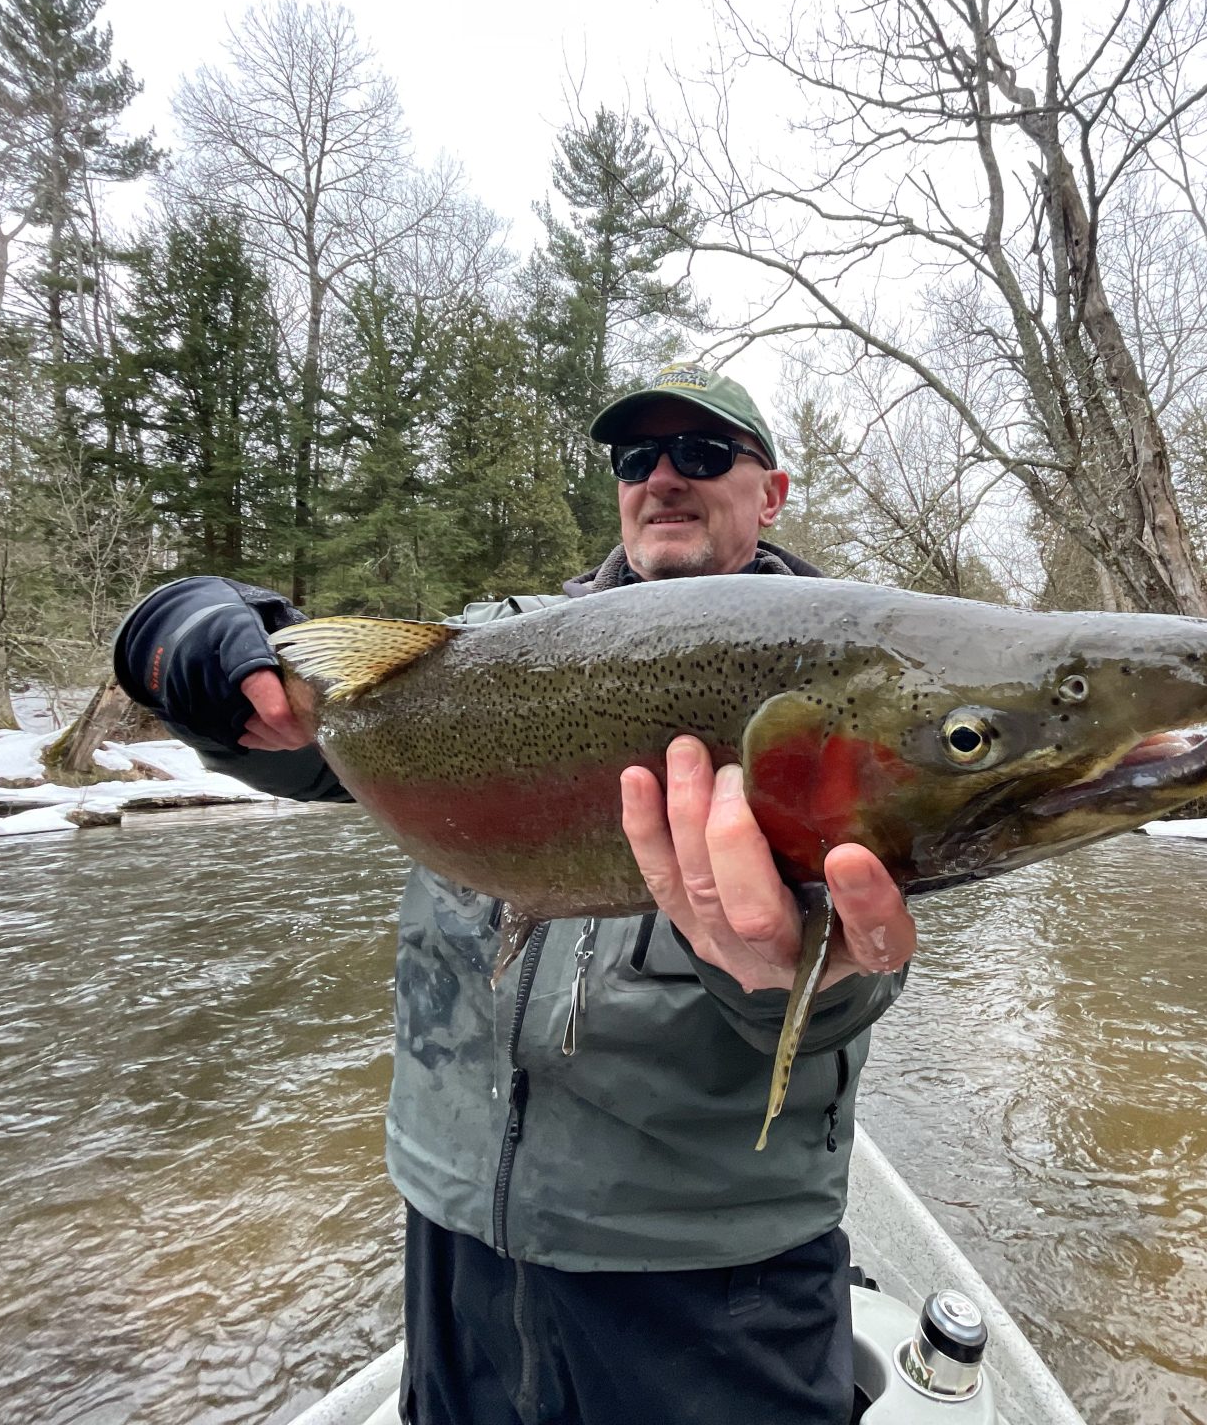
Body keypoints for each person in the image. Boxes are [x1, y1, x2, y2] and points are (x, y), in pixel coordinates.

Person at [113, 362, 922, 1424]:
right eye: (639, 458)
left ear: (770, 493)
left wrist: (794, 983)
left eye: (704, 453)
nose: (665, 477)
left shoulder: (847, 683)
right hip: (455, 1246)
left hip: (711, 1286)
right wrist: (186, 640)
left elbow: (850, 982)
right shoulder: (484, 652)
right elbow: (283, 734)